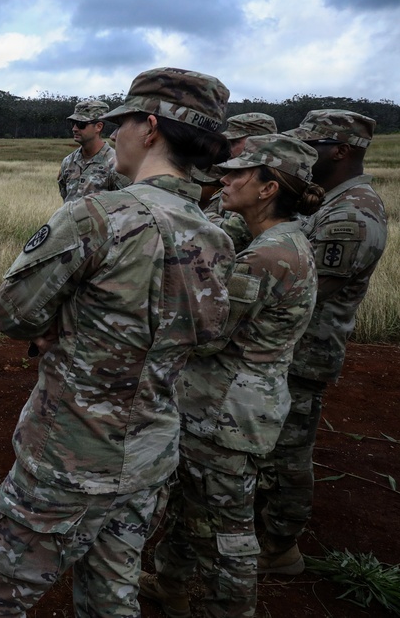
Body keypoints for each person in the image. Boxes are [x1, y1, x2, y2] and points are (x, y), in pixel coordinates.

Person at [0, 68, 236, 618]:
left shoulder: (96, 219)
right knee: (112, 596)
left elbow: (11, 313)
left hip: (69, 456)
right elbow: (206, 339)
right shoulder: (215, 236)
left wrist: (60, 323)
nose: (111, 136)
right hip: (150, 454)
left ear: (150, 127)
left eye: (121, 124)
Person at [141, 135, 323, 618]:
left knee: (227, 533)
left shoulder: (267, 257)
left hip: (225, 412)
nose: (224, 179)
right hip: (232, 403)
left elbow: (209, 333)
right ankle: (170, 585)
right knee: (189, 508)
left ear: (268, 189)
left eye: (238, 174)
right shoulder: (281, 243)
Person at [255, 109, 388, 575]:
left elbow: (305, 291)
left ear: (342, 151)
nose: (305, 155)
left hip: (306, 352)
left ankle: (279, 546)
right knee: (269, 443)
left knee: (289, 451)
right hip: (290, 346)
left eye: (313, 146)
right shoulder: (330, 201)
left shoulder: (352, 214)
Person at [194, 113, 278, 214]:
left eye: (234, 142)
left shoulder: (267, 181)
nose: (229, 149)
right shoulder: (224, 167)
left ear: (258, 142)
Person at [56, 99, 123, 202]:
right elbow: (65, 196)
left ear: (98, 127)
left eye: (80, 124)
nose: (74, 129)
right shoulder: (68, 162)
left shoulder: (116, 163)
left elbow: (122, 204)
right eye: (73, 123)